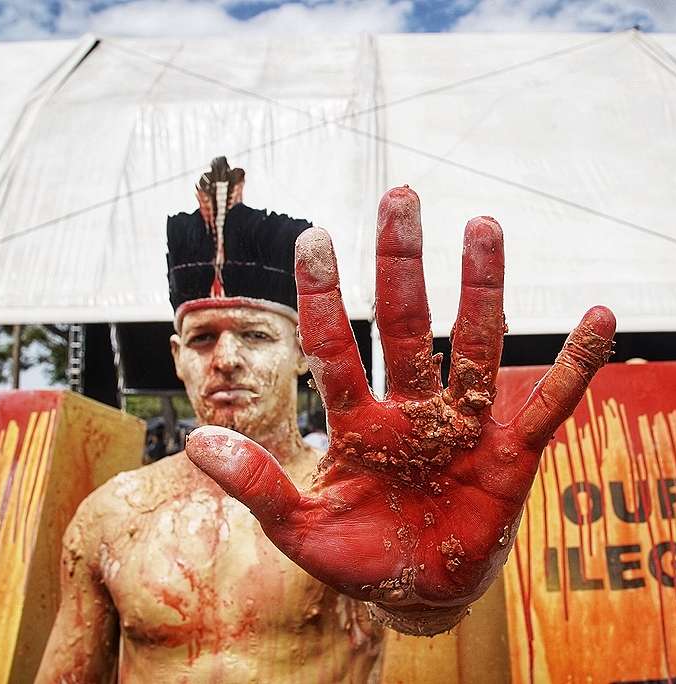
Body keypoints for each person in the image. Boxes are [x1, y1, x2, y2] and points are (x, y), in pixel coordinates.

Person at [37, 157, 615, 682]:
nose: (227, 359)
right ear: (176, 357)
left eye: (257, 335)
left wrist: (422, 602)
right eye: (202, 338)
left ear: (300, 355)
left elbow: (433, 645)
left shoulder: (357, 498)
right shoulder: (112, 517)